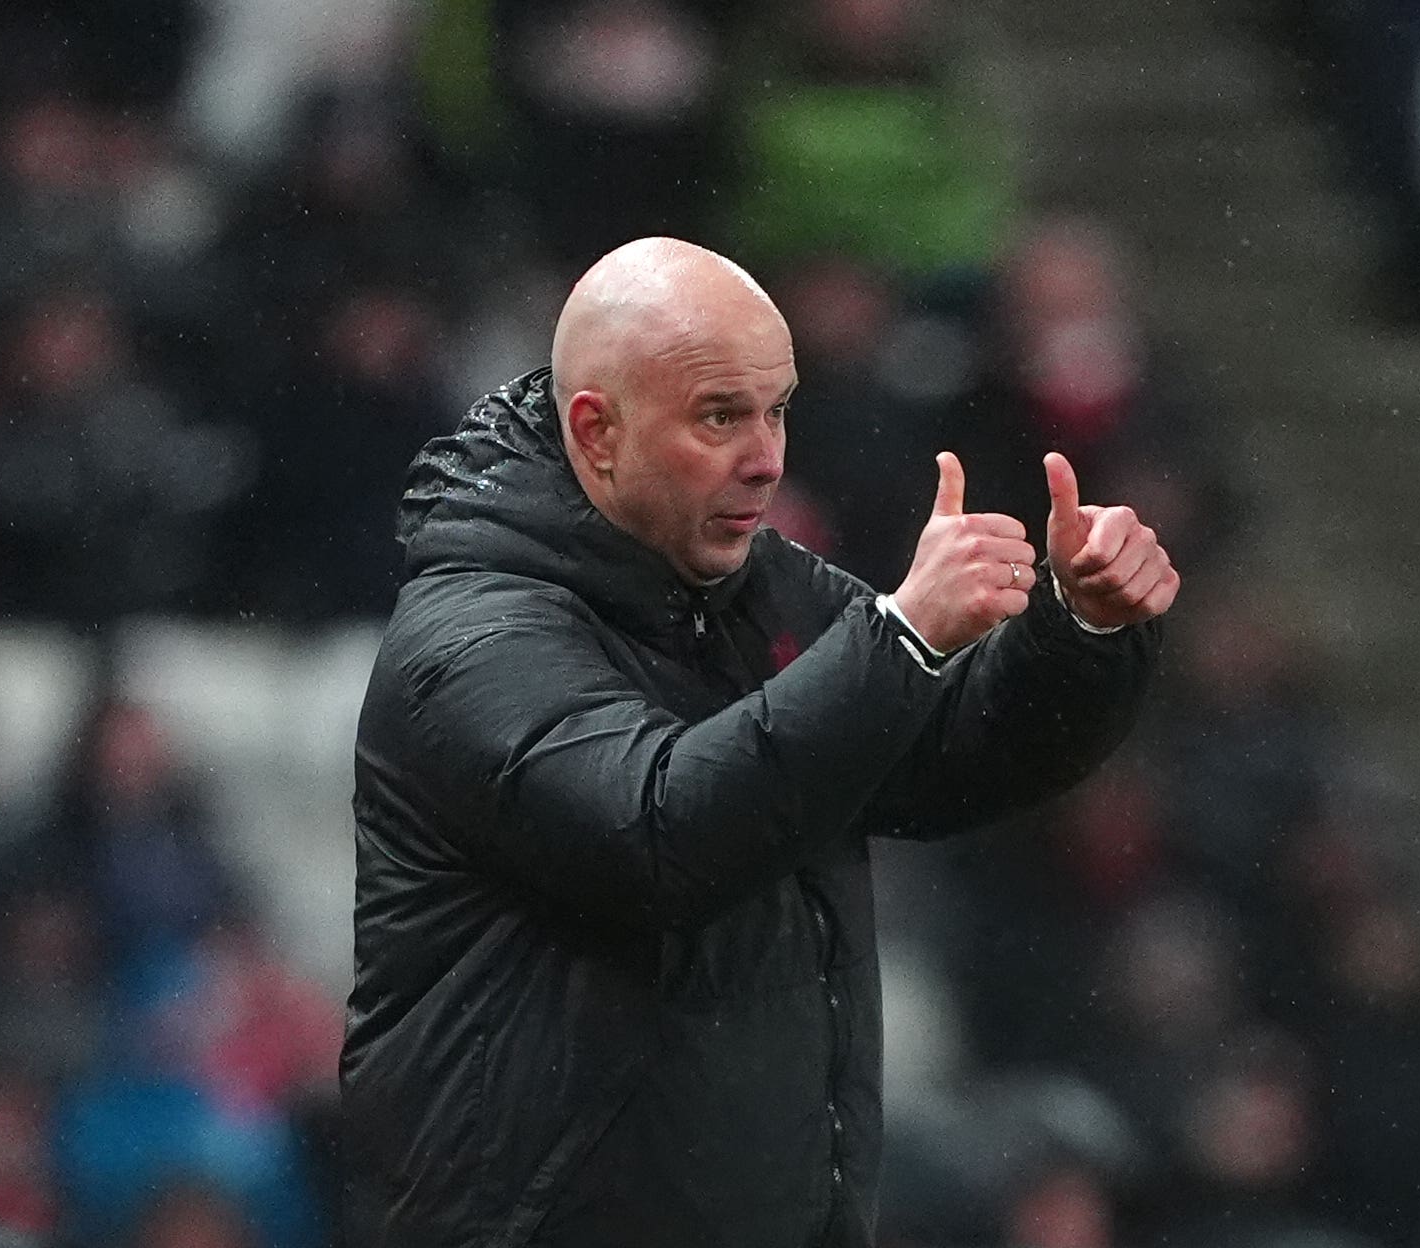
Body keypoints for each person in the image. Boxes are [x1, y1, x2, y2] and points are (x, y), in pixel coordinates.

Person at [341, 237, 1179, 1247]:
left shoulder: (754, 592)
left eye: (777, 409)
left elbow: (946, 757)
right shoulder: (473, 640)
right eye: (720, 416)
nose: (768, 456)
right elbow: (656, 838)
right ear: (596, 430)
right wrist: (900, 637)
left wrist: (1078, 630)